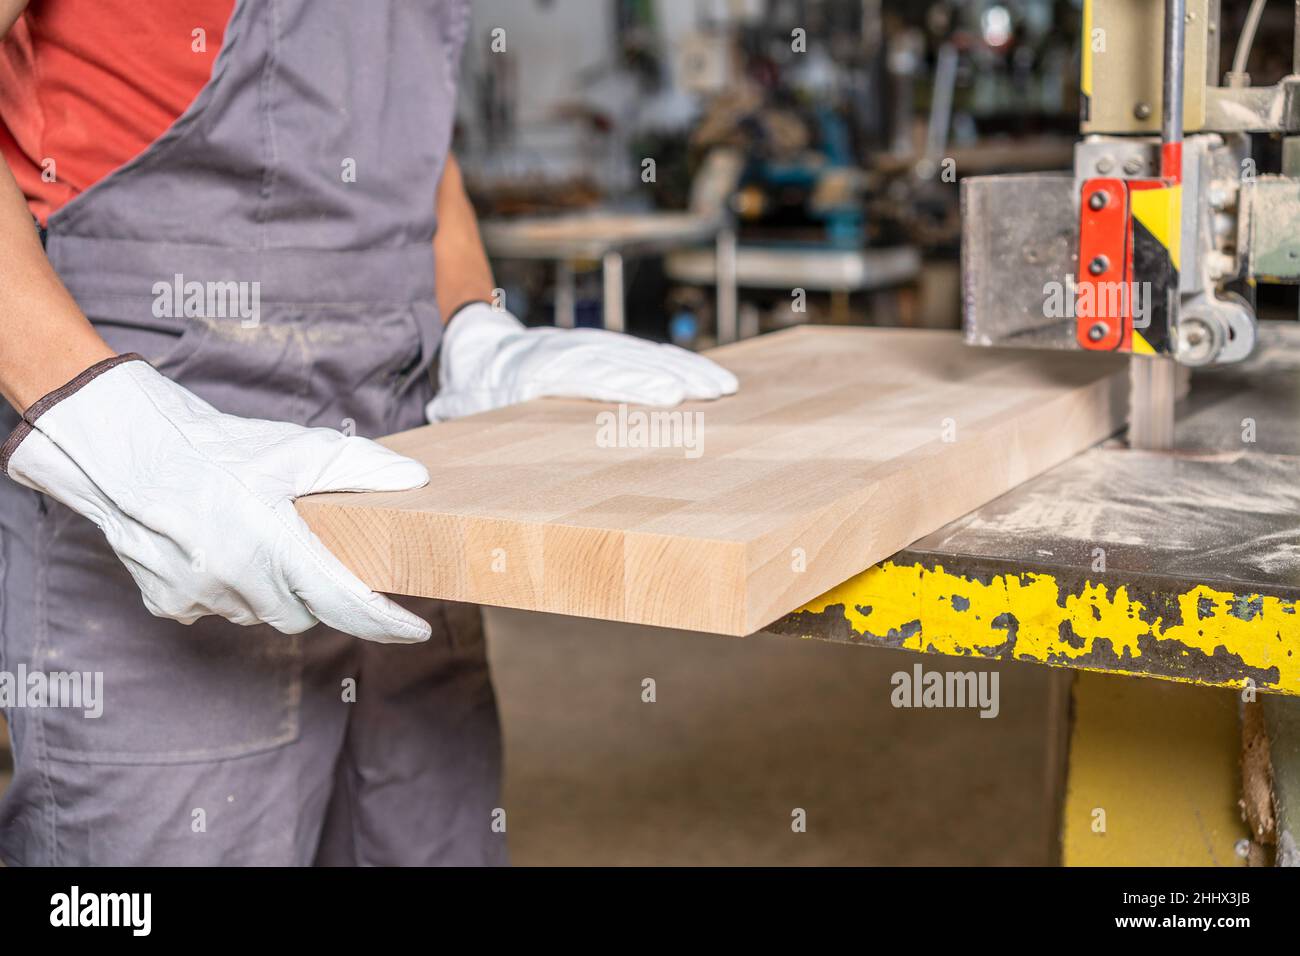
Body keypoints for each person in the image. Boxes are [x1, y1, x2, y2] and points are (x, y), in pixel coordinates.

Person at [0, 0, 736, 865]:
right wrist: (97, 417)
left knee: (429, 835)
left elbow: (417, 145)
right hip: (172, 447)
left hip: (396, 451)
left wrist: (470, 323)